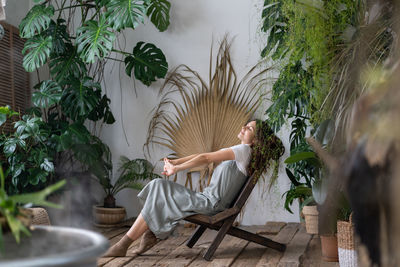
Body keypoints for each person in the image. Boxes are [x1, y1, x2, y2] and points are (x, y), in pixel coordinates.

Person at [103, 120, 284, 257]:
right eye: (246, 125)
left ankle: (126, 243)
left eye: (249, 128)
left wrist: (177, 169)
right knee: (159, 186)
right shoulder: (244, 152)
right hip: (207, 200)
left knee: (159, 186)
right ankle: (144, 236)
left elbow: (205, 158)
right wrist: (176, 162)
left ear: (256, 140)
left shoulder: (244, 151)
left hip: (211, 205)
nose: (243, 128)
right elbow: (202, 155)